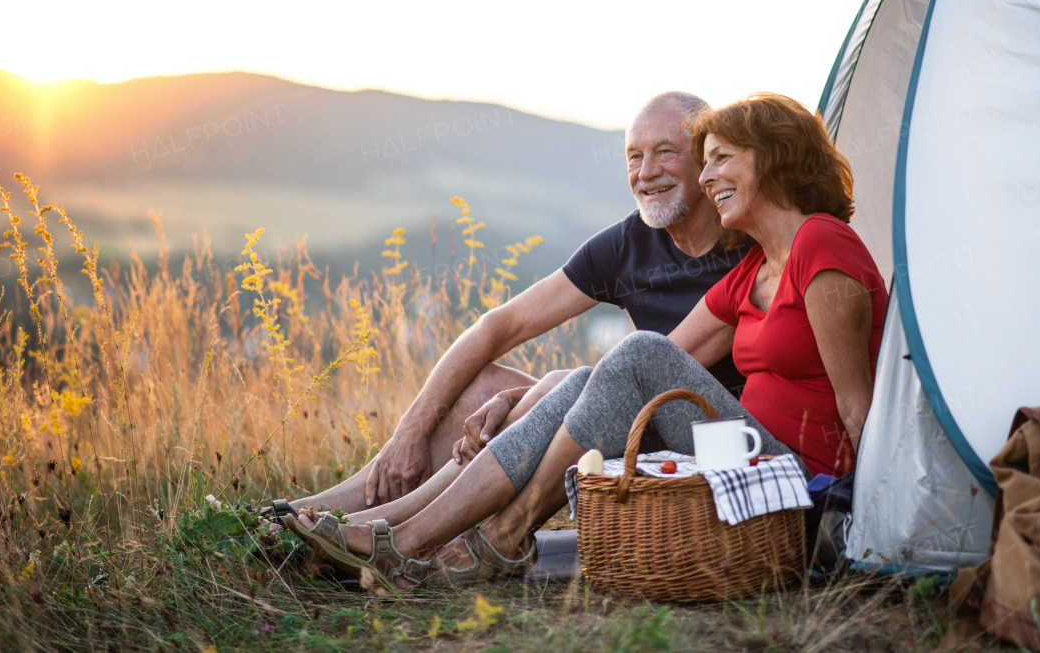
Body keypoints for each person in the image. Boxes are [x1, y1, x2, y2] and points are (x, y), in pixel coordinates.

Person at [287, 92, 888, 588]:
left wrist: (872, 528)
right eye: (700, 162)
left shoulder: (819, 243)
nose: (706, 177)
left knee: (632, 355)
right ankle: (393, 532)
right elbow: (649, 366)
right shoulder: (751, 271)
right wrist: (537, 397)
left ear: (774, 159)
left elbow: (859, 406)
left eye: (718, 159)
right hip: (734, 456)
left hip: (798, 487)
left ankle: (480, 536)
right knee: (586, 377)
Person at [283, 91, 749, 519]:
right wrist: (409, 431)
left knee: (560, 382)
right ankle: (306, 515)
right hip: (623, 424)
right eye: (633, 155)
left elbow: (644, 370)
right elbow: (500, 326)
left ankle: (376, 529)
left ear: (704, 159)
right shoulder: (626, 245)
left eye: (665, 151)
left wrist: (543, 391)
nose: (646, 172)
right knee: (482, 387)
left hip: (713, 439)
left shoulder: (751, 242)